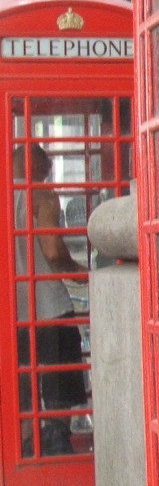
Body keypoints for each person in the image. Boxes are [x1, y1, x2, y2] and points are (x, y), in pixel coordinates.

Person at [13, 142, 87, 456]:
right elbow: (53, 250)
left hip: (14, 310)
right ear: (36, 165)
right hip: (48, 304)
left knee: (24, 391)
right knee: (60, 379)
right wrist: (79, 271)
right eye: (47, 165)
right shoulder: (41, 194)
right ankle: (57, 439)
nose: (50, 173)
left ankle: (27, 442)